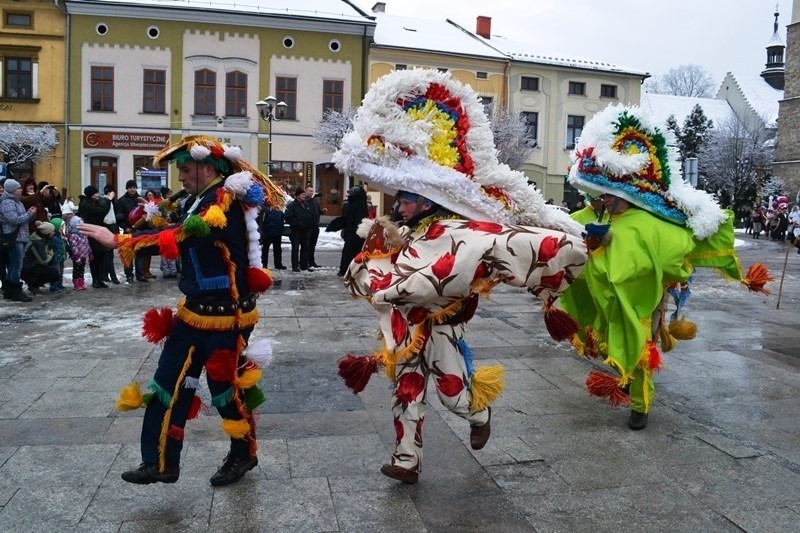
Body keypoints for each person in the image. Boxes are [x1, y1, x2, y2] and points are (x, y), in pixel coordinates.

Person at [332, 69, 588, 484]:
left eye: (409, 198)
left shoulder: (459, 231)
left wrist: (563, 249)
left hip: (441, 329)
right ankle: (406, 461)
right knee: (406, 392)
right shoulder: (398, 228)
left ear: (428, 200)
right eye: (401, 197)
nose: (401, 205)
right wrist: (375, 257)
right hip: (405, 328)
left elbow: (509, 243)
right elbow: (367, 271)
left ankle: (479, 411)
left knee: (452, 395)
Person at [79, 135, 285, 486]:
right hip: (192, 314)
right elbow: (171, 226)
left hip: (226, 318)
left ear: (208, 168)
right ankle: (159, 462)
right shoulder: (197, 200)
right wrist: (145, 219)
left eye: (187, 170)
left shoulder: (224, 202)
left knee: (224, 392)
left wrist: (121, 242)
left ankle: (244, 453)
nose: (182, 178)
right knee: (167, 384)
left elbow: (186, 237)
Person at [559, 104, 771, 430]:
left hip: (642, 302)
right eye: (597, 194)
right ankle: (625, 372)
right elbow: (564, 227)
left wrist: (660, 270)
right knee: (608, 340)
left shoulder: (648, 223)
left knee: (639, 347)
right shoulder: (596, 215)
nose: (598, 199)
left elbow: (678, 251)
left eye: (604, 194)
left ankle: (641, 406)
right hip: (608, 301)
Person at [0, 178, 37, 301]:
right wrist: (29, 214)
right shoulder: (7, 202)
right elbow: (14, 220)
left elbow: (22, 220)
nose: (21, 189)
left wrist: (30, 214)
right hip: (14, 238)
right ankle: (15, 290)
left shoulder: (18, 202)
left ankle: (10, 290)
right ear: (12, 190)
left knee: (13, 265)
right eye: (18, 188)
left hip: (20, 236)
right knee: (16, 266)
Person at [78, 185, 113, 289]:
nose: (98, 195)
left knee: (101, 257)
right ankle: (95, 280)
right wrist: (108, 200)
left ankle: (100, 279)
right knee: (95, 258)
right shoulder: (87, 205)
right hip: (92, 233)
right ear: (90, 195)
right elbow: (102, 211)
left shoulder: (94, 202)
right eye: (95, 193)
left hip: (98, 231)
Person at [330, 185, 368, 277]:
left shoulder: (360, 204)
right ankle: (346, 269)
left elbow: (359, 219)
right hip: (351, 231)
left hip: (356, 233)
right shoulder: (351, 204)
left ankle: (350, 270)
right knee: (348, 252)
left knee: (352, 252)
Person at [115, 179, 146, 283]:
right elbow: (119, 216)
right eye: (130, 188)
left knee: (140, 253)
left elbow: (147, 212)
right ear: (127, 189)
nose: (132, 189)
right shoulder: (121, 200)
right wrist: (125, 227)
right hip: (128, 230)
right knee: (128, 253)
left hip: (140, 229)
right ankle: (129, 275)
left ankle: (140, 274)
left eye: (134, 187)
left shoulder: (140, 199)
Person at [21, 220, 60, 295]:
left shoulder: (38, 238)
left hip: (28, 265)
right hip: (28, 267)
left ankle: (34, 283)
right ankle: (33, 285)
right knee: (54, 273)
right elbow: (43, 261)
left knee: (51, 271)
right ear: (47, 233)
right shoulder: (38, 243)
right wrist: (51, 255)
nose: (53, 233)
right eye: (52, 231)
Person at [284, 187, 314, 272]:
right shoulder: (292, 206)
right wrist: (297, 223)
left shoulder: (306, 205)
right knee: (295, 249)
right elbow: (288, 217)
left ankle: (304, 265)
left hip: (306, 230)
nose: (304, 196)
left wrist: (310, 224)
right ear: (297, 195)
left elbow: (310, 215)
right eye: (302, 194)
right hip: (296, 231)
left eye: (305, 194)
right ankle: (295, 266)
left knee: (305, 248)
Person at [62, 203, 91, 291]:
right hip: (78, 255)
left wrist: (89, 252)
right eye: (79, 224)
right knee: (77, 269)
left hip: (83, 254)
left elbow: (87, 243)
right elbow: (74, 246)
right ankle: (76, 282)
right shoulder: (74, 235)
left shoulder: (83, 235)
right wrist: (76, 255)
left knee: (82, 268)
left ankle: (81, 281)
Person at [102, 184, 121, 284]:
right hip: (107, 228)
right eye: (109, 192)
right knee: (107, 255)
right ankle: (111, 276)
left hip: (112, 228)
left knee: (109, 255)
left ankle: (107, 275)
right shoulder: (105, 201)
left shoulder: (114, 202)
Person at [260, 205, 286, 270]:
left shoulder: (279, 208)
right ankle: (264, 264)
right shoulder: (266, 208)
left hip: (277, 231)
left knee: (277, 249)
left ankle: (278, 264)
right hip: (267, 232)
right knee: (265, 249)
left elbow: (282, 218)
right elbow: (261, 220)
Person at [305, 186, 325, 268]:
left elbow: (318, 211)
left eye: (312, 191)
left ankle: (312, 261)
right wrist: (311, 198)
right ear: (305, 191)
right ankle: (305, 262)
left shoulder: (315, 200)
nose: (311, 192)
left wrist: (322, 211)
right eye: (310, 191)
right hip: (308, 226)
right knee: (307, 245)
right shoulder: (305, 199)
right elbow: (305, 207)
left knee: (313, 245)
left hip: (315, 226)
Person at [48, 217, 67, 292]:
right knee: (56, 272)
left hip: (61, 257)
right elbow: (50, 246)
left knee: (61, 271)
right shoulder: (53, 237)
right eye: (61, 226)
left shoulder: (60, 236)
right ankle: (54, 286)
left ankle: (59, 284)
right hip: (55, 258)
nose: (63, 228)